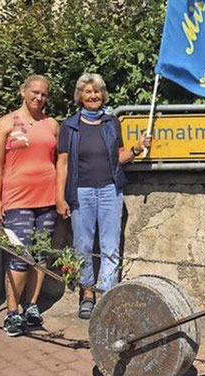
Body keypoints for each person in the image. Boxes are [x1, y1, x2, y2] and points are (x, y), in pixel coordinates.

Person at [55, 73, 150, 319]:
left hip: (110, 190)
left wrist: (137, 149)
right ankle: (87, 294)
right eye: (88, 92)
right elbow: (62, 163)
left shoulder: (111, 123)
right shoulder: (70, 126)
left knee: (110, 245)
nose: (93, 96)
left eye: (97, 92)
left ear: (103, 95)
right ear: (80, 97)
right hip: (80, 191)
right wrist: (59, 197)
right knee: (83, 245)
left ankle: (107, 293)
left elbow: (119, 156)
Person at [0, 75, 58, 336]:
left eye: (43, 94)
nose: (39, 98)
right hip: (17, 199)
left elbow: (57, 160)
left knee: (40, 254)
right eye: (35, 92)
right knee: (20, 256)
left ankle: (31, 306)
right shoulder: (6, 123)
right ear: (23, 91)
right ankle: (12, 311)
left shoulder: (52, 124)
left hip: (47, 199)